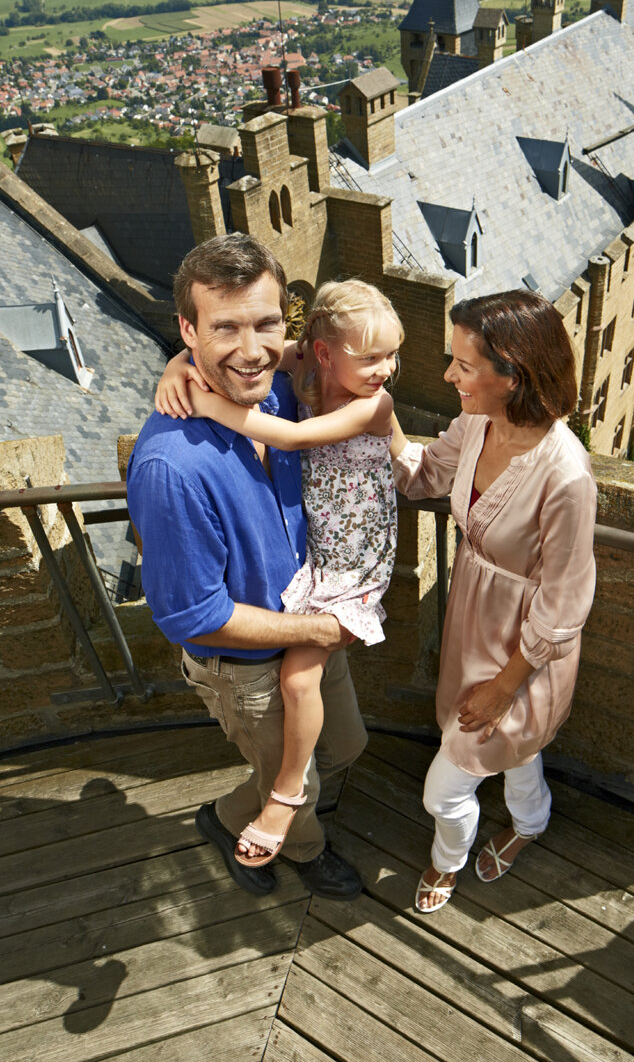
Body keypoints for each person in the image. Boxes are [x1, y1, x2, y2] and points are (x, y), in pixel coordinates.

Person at [126, 233, 366, 901]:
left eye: (264, 323)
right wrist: (316, 631)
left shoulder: (278, 392)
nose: (252, 348)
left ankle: (225, 813)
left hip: (307, 623)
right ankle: (302, 850)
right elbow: (192, 614)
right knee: (297, 786)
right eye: (223, 328)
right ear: (188, 328)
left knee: (342, 745)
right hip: (248, 665)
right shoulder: (171, 467)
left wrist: (184, 359)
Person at [156, 280, 402, 868]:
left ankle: (274, 797)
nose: (385, 370)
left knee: (322, 715)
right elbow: (234, 349)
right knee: (300, 694)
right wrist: (176, 365)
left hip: (353, 564)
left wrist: (213, 405)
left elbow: (291, 437)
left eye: (392, 355)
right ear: (323, 351)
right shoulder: (298, 367)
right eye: (370, 357)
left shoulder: (374, 404)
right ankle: (299, 832)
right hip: (320, 568)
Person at [391, 290, 597, 912]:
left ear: (513, 374)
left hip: (523, 650)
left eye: (465, 365)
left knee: (448, 781)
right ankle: (531, 822)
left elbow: (563, 603)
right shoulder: (478, 425)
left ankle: (444, 861)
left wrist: (507, 684)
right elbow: (423, 475)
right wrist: (374, 410)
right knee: (513, 750)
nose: (449, 375)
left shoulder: (565, 477)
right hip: (472, 618)